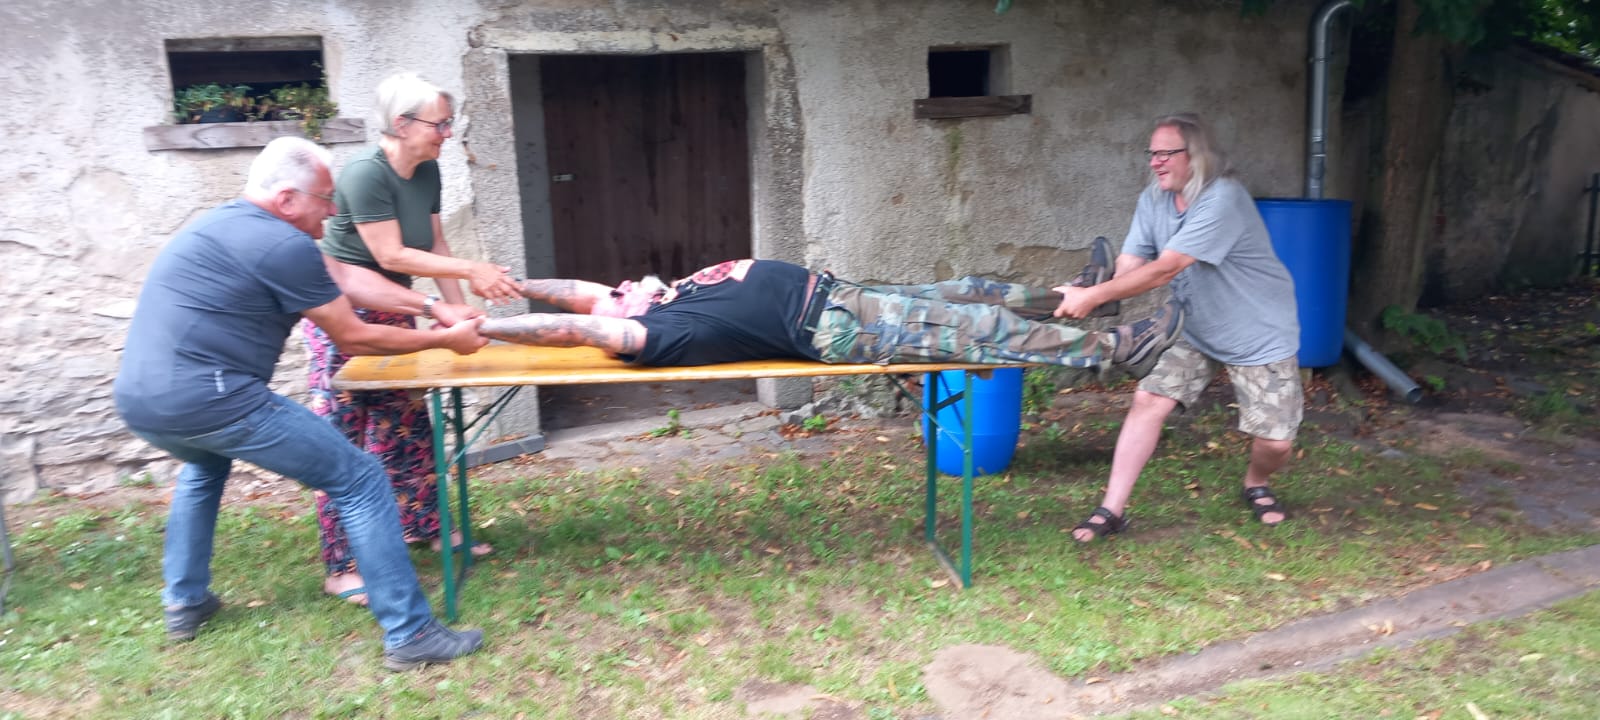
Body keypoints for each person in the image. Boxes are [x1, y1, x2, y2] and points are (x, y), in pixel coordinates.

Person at [113, 137, 488, 671]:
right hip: (214, 397)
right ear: (287, 199)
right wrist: (443, 340)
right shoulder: (280, 244)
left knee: (204, 465)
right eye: (325, 199)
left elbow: (345, 278)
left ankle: (185, 601)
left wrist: (431, 305)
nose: (333, 212)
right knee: (360, 477)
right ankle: (410, 633)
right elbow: (354, 336)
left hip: (142, 402)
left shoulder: (224, 224)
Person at [302, 72, 519, 605]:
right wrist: (470, 272)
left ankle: (424, 525)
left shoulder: (427, 170)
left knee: (408, 425)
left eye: (449, 122)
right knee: (343, 438)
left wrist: (455, 310)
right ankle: (341, 565)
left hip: (397, 307)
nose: (447, 133)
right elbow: (391, 254)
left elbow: (436, 243)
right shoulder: (364, 174)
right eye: (439, 124)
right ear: (401, 125)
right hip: (343, 313)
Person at [1052, 112, 1302, 542]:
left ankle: (1256, 482)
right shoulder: (1154, 199)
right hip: (1194, 323)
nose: (1156, 162)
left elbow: (1166, 268)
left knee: (1275, 442)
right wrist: (1088, 290)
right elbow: (1133, 261)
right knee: (1148, 400)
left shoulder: (1223, 198)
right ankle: (1111, 510)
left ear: (1196, 155)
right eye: (1152, 153)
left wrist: (1092, 298)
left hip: (1257, 331)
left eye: (1166, 153)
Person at [461, 257, 1184, 371]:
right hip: (837, 326)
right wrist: (485, 327)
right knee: (979, 331)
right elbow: (581, 324)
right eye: (613, 297)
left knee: (968, 290)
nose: (614, 287)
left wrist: (509, 283)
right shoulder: (653, 329)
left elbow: (577, 295)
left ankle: (1074, 296)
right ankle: (1116, 350)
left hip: (839, 294)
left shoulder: (654, 296)